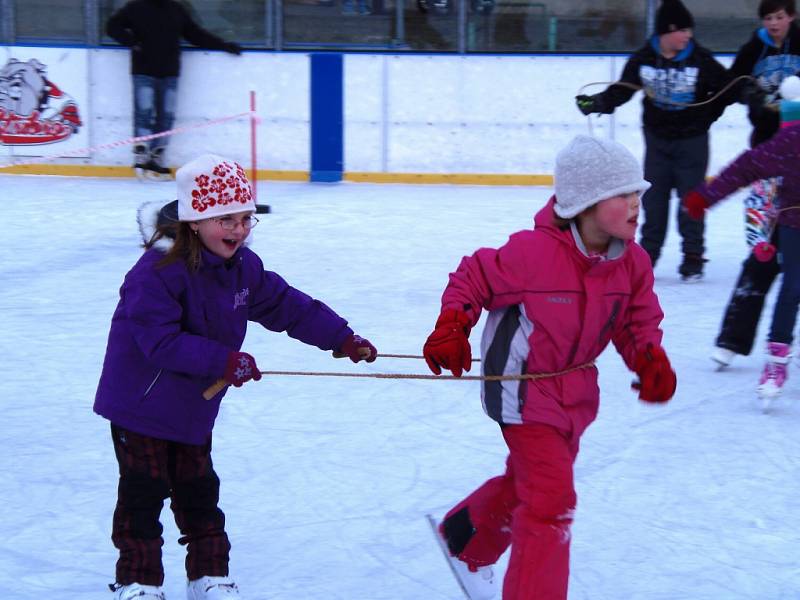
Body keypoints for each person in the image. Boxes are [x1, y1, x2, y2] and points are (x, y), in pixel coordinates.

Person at [94, 154, 377, 600]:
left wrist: (340, 338)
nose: (238, 229)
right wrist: (225, 361)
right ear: (194, 220)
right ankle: (138, 581)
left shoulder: (243, 268)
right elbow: (159, 343)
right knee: (143, 495)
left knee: (199, 490)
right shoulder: (155, 273)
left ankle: (209, 576)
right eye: (225, 219)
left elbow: (288, 306)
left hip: (192, 406)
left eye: (245, 218)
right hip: (140, 406)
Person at [422, 135, 677, 600]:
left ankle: (466, 537)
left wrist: (648, 356)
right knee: (551, 502)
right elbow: (473, 276)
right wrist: (452, 324)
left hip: (577, 393)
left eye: (638, 193)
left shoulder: (632, 262)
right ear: (585, 204)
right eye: (623, 194)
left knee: (529, 482)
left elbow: (638, 318)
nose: (637, 203)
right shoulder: (531, 254)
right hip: (520, 390)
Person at [575, 0, 740, 281]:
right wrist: (598, 102)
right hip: (658, 141)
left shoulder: (700, 58)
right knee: (655, 201)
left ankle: (693, 257)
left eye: (689, 30)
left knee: (692, 200)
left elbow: (729, 89)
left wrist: (707, 116)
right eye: (683, 30)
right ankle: (648, 254)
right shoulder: (644, 59)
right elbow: (622, 91)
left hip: (692, 142)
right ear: (667, 31)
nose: (688, 36)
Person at [684, 77, 800, 401]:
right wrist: (706, 196)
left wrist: (705, 197)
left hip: (786, 218)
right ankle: (771, 360)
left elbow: (745, 166)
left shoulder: (785, 138)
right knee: (788, 285)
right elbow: (747, 167)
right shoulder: (787, 141)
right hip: (792, 222)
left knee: (791, 287)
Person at [710, 0, 800, 368]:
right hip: (768, 165)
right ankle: (733, 338)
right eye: (768, 18)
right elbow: (729, 88)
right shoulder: (752, 50)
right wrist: (750, 96)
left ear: (791, 17)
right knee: (763, 251)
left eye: (780, 17)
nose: (774, 23)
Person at [106, 0, 242, 177]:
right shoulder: (136, 7)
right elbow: (112, 27)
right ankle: (141, 156)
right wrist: (132, 42)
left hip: (169, 72)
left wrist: (224, 45)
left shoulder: (176, 10)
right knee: (144, 113)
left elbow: (195, 34)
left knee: (166, 116)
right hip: (143, 71)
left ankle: (156, 157)